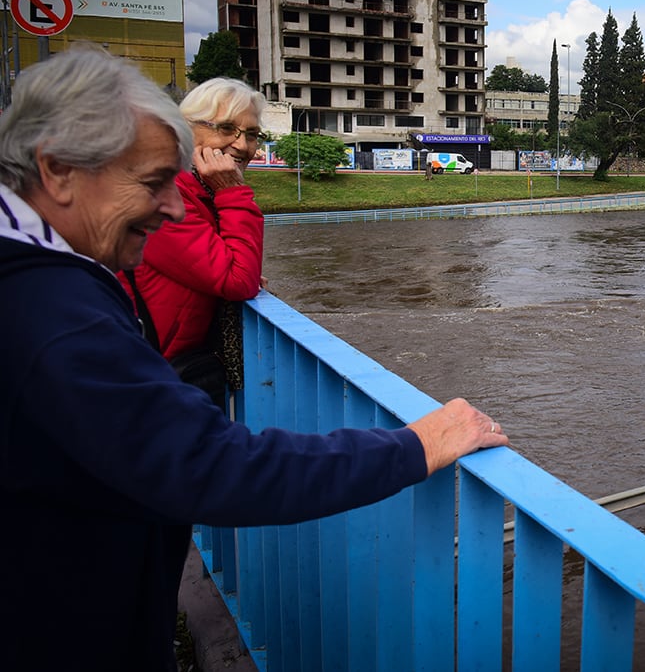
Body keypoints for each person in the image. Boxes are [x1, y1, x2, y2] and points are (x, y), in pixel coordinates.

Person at [0, 47, 508, 671]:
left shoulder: (45, 283)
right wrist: (415, 446)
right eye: (154, 182)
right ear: (57, 171)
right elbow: (213, 466)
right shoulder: (50, 313)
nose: (171, 208)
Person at [118, 76, 266, 406]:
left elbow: (229, 264)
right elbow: (238, 280)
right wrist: (233, 191)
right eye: (226, 128)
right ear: (186, 128)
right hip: (144, 378)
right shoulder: (165, 192)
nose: (242, 145)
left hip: (163, 369)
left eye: (252, 134)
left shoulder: (198, 191)